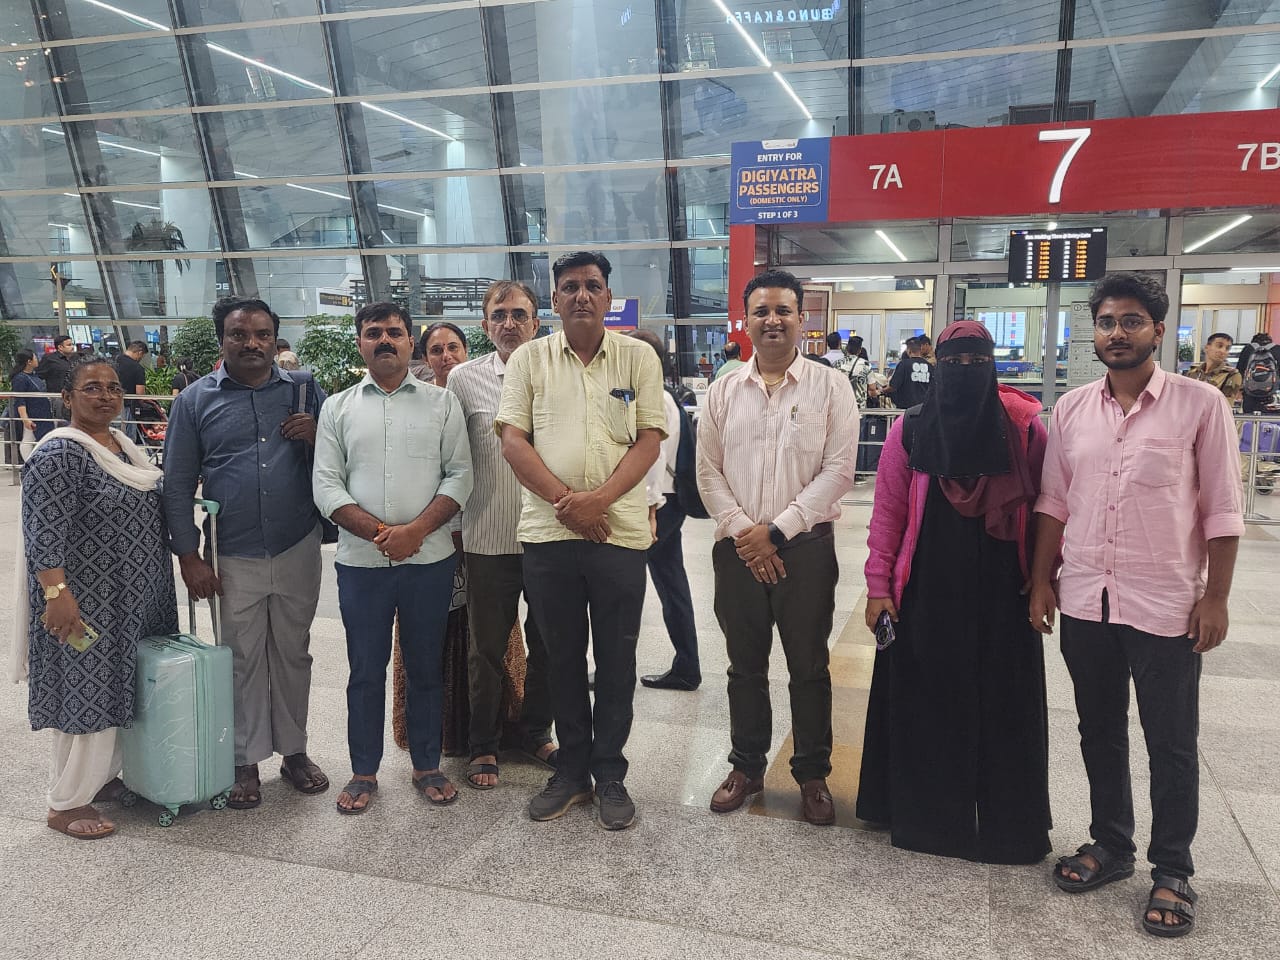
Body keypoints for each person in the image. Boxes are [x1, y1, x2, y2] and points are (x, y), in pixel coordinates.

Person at [1029, 273, 1244, 938]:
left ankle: (1173, 868)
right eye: (1106, 322)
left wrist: (1216, 597)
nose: (1116, 333)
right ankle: (1112, 843)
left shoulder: (1200, 405)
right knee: (1099, 730)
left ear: (1158, 330)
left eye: (1130, 321)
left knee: (1171, 742)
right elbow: (1053, 503)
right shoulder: (1071, 410)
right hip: (1086, 598)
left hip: (1165, 603)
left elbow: (1223, 509)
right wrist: (1041, 581)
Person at [858, 320, 1051, 863]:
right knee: (927, 700)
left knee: (1004, 705)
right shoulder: (910, 430)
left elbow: (1047, 509)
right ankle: (926, 819)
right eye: (954, 363)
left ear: (993, 366)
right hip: (926, 588)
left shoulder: (1025, 431)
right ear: (937, 367)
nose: (965, 372)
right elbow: (888, 513)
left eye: (977, 363)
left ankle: (1008, 826)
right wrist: (878, 587)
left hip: (1004, 588)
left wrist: (1044, 579)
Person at [496, 251, 665, 830]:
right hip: (549, 536)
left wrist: (599, 503)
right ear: (555, 299)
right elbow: (513, 441)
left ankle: (610, 772)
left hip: (619, 535)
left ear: (609, 298)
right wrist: (569, 504)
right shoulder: (530, 359)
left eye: (593, 285)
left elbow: (649, 440)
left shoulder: (638, 357)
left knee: (616, 659)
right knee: (560, 658)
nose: (582, 295)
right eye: (570, 286)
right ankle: (571, 771)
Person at [696, 269, 857, 826]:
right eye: (761, 311)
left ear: (801, 319)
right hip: (737, 549)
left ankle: (812, 774)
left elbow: (839, 471)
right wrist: (748, 534)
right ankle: (746, 766)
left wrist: (778, 532)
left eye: (783, 310)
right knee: (744, 667)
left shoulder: (831, 387)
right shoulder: (722, 391)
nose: (772, 320)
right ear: (745, 321)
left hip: (806, 549)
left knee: (809, 665)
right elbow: (707, 471)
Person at [164, 297, 329, 809]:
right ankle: (244, 759)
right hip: (230, 551)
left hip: (297, 542)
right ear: (222, 340)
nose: (251, 343)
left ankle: (294, 751)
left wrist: (318, 436)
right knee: (240, 657)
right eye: (239, 334)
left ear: (275, 340)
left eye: (262, 334)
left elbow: (343, 460)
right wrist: (188, 555)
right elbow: (176, 484)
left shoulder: (304, 390)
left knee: (293, 653)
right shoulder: (195, 401)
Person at [313, 301, 473, 813]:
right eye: (374, 332)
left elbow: (460, 475)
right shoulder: (337, 407)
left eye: (395, 332)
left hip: (429, 561)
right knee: (365, 669)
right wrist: (385, 534)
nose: (385, 340)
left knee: (425, 667)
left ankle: (427, 764)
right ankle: (363, 770)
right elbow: (326, 485)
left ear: (410, 343)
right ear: (360, 342)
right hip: (361, 565)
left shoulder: (442, 404)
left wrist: (416, 532)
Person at [18, 359, 177, 839]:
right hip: (86, 604)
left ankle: (103, 778)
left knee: (125, 689)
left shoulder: (125, 449)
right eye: (91, 388)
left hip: (134, 600)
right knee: (86, 693)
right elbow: (43, 534)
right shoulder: (59, 454)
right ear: (67, 398)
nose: (105, 396)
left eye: (113, 388)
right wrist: (57, 595)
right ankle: (65, 802)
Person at [447, 281, 558, 789]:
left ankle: (534, 732)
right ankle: (483, 744)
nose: (509, 323)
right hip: (487, 537)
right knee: (486, 649)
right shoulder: (464, 380)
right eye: (499, 315)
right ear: (485, 323)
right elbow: (452, 459)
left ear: (536, 322)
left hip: (549, 535)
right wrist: (455, 530)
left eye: (519, 314)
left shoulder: (556, 372)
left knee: (549, 643)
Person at [390, 321, 472, 759]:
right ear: (423, 356)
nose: (446, 356)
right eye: (436, 350)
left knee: (479, 632)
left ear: (466, 350)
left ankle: (483, 726)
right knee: (424, 635)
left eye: (453, 347)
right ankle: (427, 729)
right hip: (426, 534)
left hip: (478, 532)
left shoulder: (480, 395)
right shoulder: (416, 403)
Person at [630, 328, 701, 692]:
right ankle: (687, 665)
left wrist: (648, 509)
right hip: (667, 502)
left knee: (625, 587)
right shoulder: (663, 395)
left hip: (656, 504)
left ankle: (618, 668)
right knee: (672, 584)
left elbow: (652, 459)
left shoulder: (654, 399)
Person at [10, 350, 54, 450]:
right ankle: (28, 459)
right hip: (32, 413)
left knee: (37, 438)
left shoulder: (34, 375)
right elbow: (19, 400)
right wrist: (25, 418)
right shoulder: (20, 378)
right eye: (35, 357)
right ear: (29, 362)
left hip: (42, 412)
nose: (37, 360)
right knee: (28, 439)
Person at [1183, 333, 1240, 404]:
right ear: (1206, 348)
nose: (1223, 351)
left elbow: (1224, 405)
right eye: (1219, 346)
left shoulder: (1231, 375)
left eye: (1227, 348)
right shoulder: (1193, 372)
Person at [1235, 331, 1280, 414]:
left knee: (1250, 419)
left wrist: (1239, 391)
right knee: (1271, 420)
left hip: (1250, 395)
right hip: (1272, 395)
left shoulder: (1247, 349)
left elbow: (1239, 372)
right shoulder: (1278, 349)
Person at [114, 340, 148, 443]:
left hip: (110, 403)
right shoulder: (137, 368)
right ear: (140, 353)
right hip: (128, 406)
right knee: (128, 439)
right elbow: (139, 393)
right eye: (142, 356)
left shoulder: (112, 362)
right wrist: (143, 404)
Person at [885, 337, 932, 409]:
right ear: (920, 349)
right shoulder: (930, 366)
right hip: (924, 408)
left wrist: (882, 390)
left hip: (906, 409)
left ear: (909, 351)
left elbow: (893, 386)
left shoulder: (903, 364)